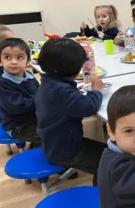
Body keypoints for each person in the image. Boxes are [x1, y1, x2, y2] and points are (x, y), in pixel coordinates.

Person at [36, 38, 107, 186]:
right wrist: (97, 91)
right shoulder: (60, 89)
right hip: (65, 150)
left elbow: (66, 102)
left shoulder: (49, 82)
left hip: (53, 143)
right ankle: (103, 195)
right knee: (110, 160)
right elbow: (89, 107)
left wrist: (75, 91)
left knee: (107, 151)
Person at [0, 38, 40, 147]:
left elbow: (39, 93)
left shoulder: (29, 75)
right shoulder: (1, 84)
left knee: (60, 124)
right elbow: (18, 107)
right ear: (0, 61)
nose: (13, 62)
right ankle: (34, 158)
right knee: (52, 133)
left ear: (28, 61)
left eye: (19, 57)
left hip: (34, 119)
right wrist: (42, 98)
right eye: (7, 57)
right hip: (17, 126)